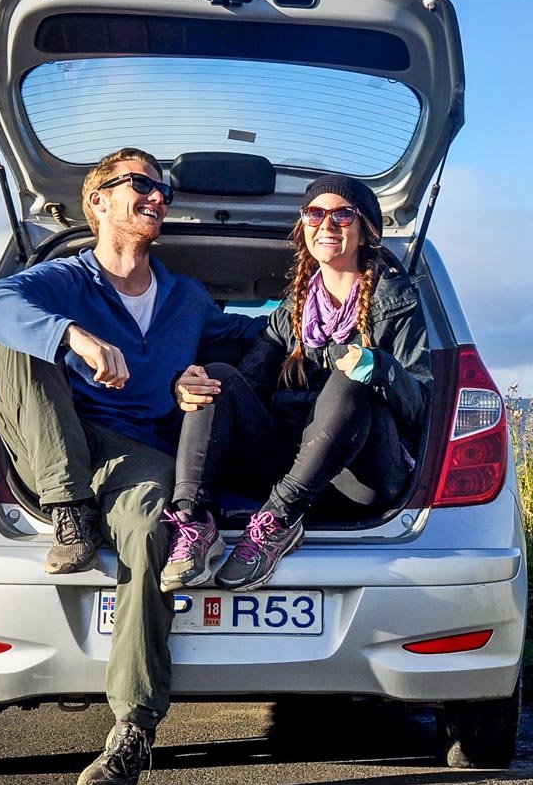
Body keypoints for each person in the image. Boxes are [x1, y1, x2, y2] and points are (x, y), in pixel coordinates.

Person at [0, 147, 264, 785]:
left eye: (164, 189)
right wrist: (71, 334)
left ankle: (132, 728)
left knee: (155, 531)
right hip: (56, 437)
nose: (159, 196)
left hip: (139, 452)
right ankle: (68, 513)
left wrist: (210, 372)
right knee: (23, 341)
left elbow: (249, 336)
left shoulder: (185, 298)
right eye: (142, 185)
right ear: (97, 201)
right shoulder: (62, 280)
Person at [159, 173, 431, 592]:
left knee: (347, 383)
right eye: (315, 213)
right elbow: (244, 386)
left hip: (359, 476)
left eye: (342, 214)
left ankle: (277, 526)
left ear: (364, 231)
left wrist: (380, 368)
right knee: (216, 377)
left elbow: (419, 408)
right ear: (304, 227)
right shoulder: (291, 312)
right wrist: (188, 384)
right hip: (289, 465)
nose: (327, 224)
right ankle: (194, 525)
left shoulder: (395, 303)